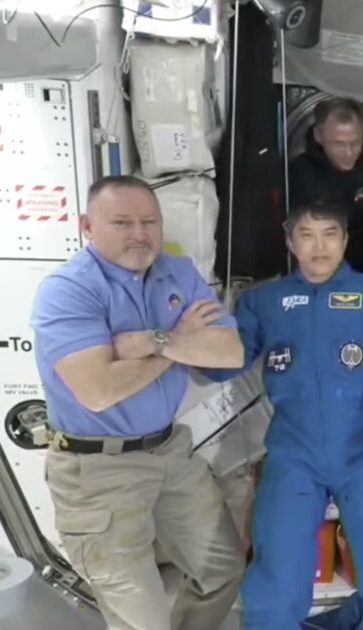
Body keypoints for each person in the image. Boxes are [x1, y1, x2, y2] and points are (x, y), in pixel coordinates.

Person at [29, 175, 245, 630]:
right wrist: (179, 343)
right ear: (87, 227)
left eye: (149, 222)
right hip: (99, 472)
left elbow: (230, 352)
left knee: (222, 570)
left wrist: (153, 341)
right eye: (122, 223)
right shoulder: (68, 291)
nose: (139, 234)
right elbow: (98, 391)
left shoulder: (178, 274)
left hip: (170, 452)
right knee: (143, 621)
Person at [206, 200, 363, 628]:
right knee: (278, 577)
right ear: (290, 243)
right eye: (306, 235)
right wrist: (185, 339)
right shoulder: (264, 301)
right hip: (294, 453)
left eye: (329, 235)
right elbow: (224, 364)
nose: (319, 247)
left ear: (345, 241)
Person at [288, 97, 363, 273]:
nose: (348, 152)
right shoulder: (297, 174)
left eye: (355, 143)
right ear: (318, 136)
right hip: (313, 275)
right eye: (339, 144)